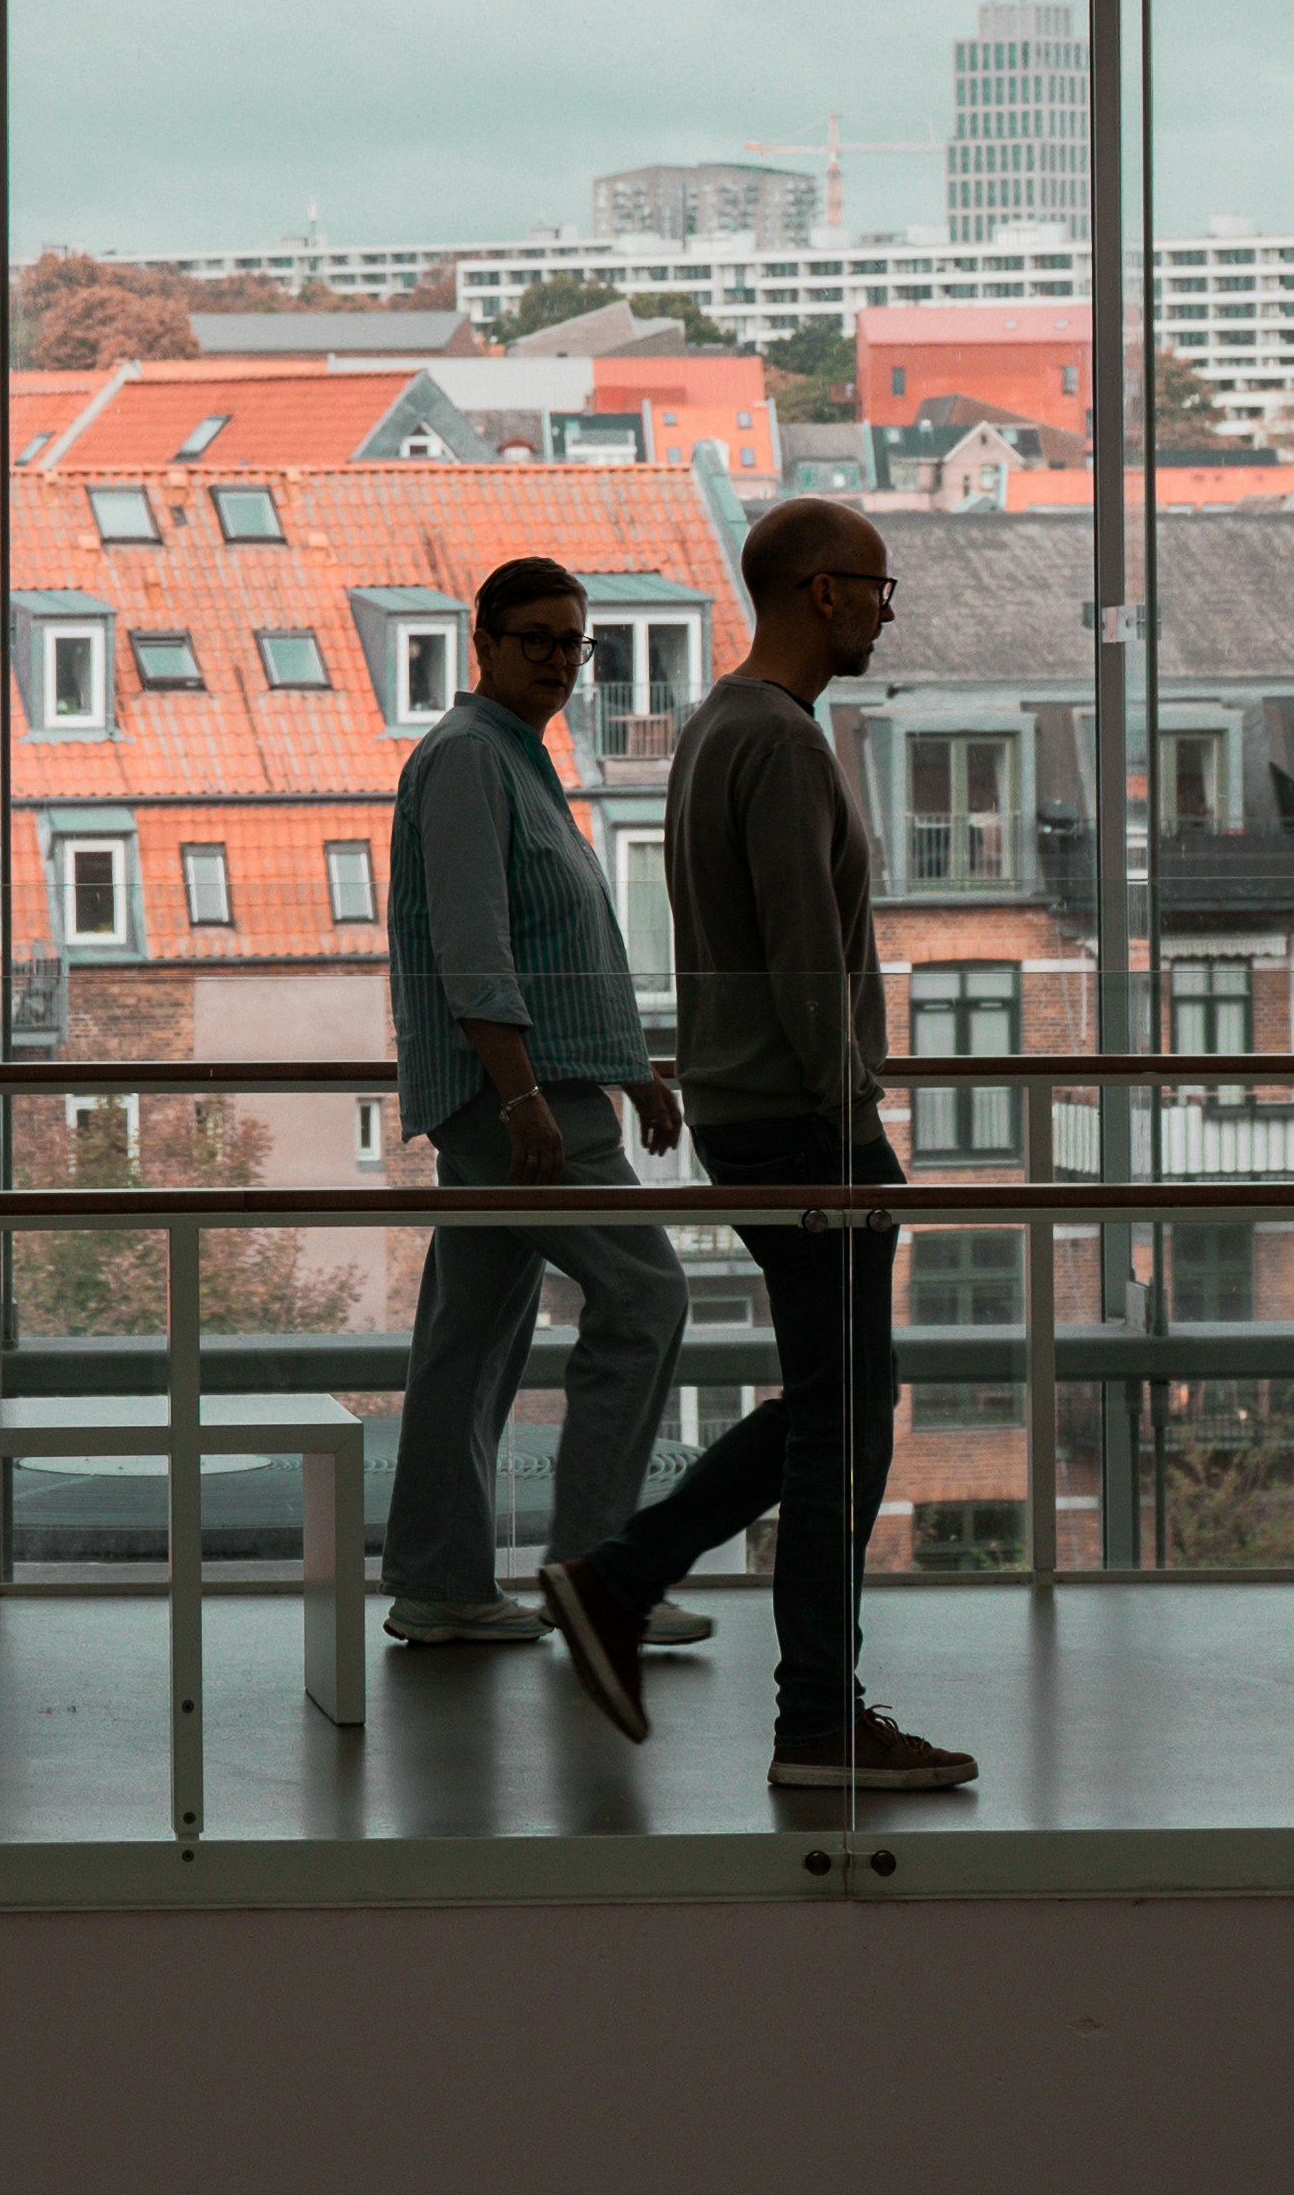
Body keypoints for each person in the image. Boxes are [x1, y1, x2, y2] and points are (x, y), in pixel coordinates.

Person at [536, 497, 976, 1794]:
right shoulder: (780, 743)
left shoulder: (718, 726)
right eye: (877, 589)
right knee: (845, 1420)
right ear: (821, 591)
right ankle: (800, 1710)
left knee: (837, 1405)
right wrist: (853, 1122)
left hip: (753, 1115)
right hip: (804, 1125)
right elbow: (802, 962)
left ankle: (651, 1601)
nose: (886, 612)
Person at [379, 556, 704, 1655]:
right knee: (647, 1295)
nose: (561, 661)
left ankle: (440, 1584)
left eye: (576, 644)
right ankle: (598, 1576)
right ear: (483, 644)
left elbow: (567, 948)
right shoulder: (471, 757)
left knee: (470, 1341)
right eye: (538, 640)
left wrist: (635, 1070)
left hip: (534, 1094)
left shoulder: (517, 754)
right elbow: (473, 946)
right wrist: (520, 1097)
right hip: (517, 1104)